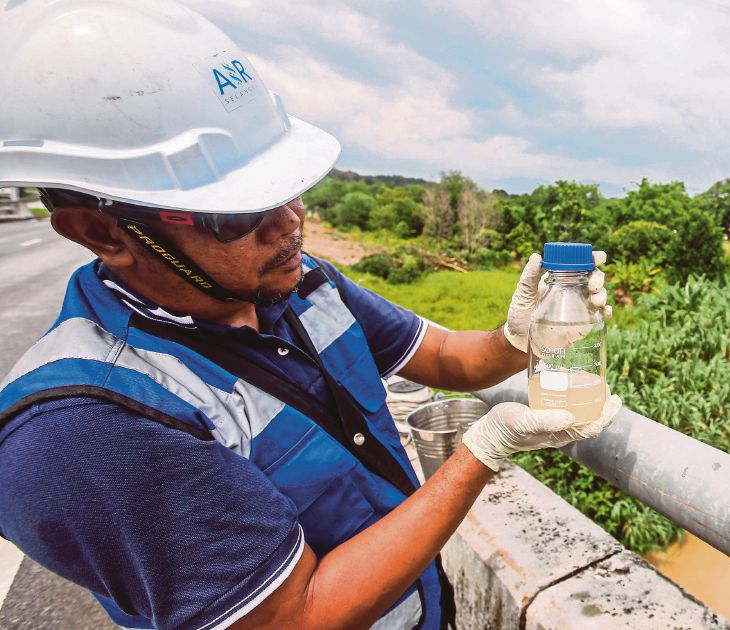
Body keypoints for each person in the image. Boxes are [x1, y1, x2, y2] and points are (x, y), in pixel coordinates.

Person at [0, 1, 621, 628]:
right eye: (240, 212)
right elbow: (293, 616)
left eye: (288, 187)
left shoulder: (300, 286)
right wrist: (480, 452)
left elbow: (445, 359)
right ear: (102, 233)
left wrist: (522, 335)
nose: (291, 223)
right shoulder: (89, 425)